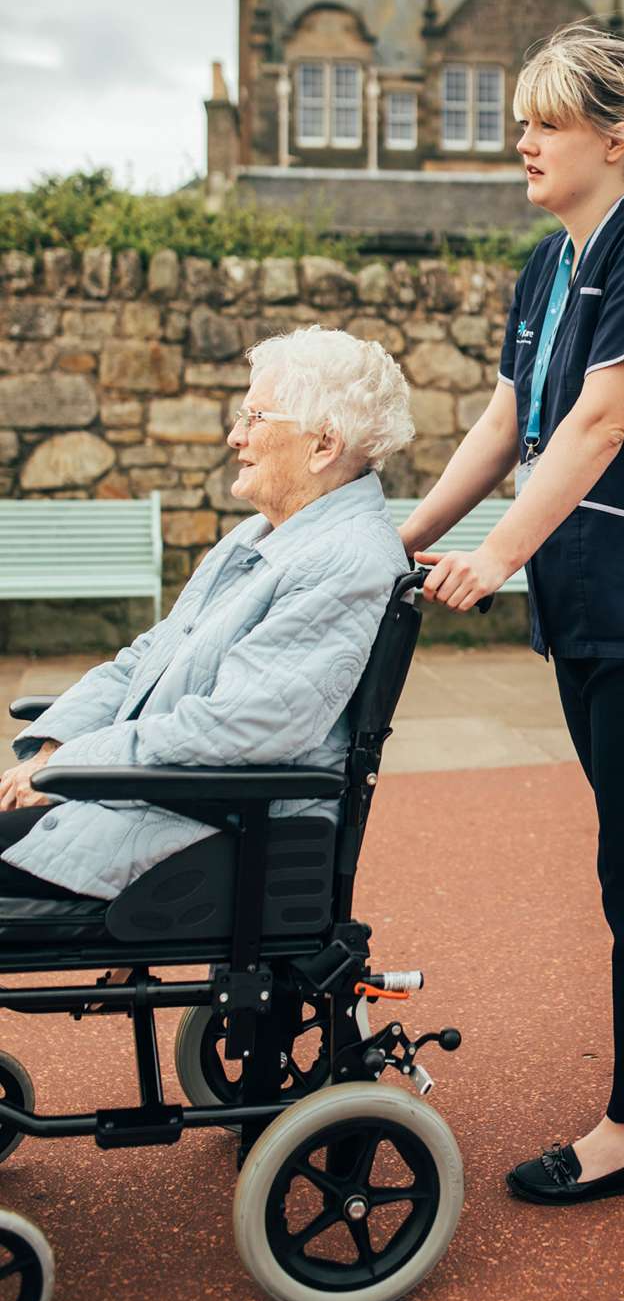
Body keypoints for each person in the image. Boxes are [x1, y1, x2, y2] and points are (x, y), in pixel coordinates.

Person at [398, 22, 624, 1206]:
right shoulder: (547, 266)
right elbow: (508, 420)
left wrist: (494, 555)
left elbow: (601, 424)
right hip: (596, 618)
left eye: (543, 122)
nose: (521, 141)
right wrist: (397, 536)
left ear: (615, 138)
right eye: (520, 120)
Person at [0, 326, 412, 904]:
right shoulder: (262, 533)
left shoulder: (345, 560)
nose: (234, 436)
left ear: (323, 444)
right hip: (139, 800)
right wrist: (55, 747)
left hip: (198, 828)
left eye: (256, 418)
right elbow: (145, 658)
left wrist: (76, 763)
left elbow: (243, 727)